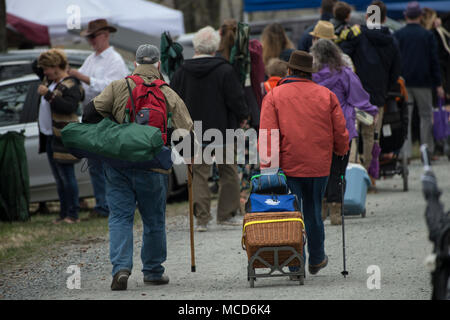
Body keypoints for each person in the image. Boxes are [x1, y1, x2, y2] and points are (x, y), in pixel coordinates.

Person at [82, 44, 194, 291]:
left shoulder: (118, 86)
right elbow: (186, 131)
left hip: (118, 164)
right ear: (158, 65)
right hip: (153, 166)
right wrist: (189, 158)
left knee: (120, 217)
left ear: (134, 64)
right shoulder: (168, 93)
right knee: (154, 219)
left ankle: (121, 268)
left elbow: (89, 114)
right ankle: (153, 271)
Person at [259, 50, 349, 275]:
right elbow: (340, 132)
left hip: (288, 165)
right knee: (313, 210)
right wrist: (341, 150)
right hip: (319, 165)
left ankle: (294, 262)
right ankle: (317, 258)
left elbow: (268, 135)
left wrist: (268, 166)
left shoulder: (274, 96)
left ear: (289, 70)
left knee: (290, 213)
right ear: (310, 73)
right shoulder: (326, 95)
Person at [171, 26, 249, 232]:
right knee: (229, 173)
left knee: (199, 174)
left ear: (196, 46)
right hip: (223, 129)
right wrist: (243, 117)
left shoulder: (181, 72)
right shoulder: (225, 70)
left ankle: (202, 219)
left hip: (193, 131)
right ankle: (226, 214)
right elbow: (235, 98)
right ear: (215, 47)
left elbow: (174, 102)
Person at [310, 39, 378, 224]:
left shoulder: (310, 76)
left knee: (320, 169)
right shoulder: (344, 73)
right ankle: (336, 210)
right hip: (342, 127)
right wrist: (372, 111)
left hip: (317, 129)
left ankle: (322, 207)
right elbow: (359, 98)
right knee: (339, 168)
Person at [68, 19, 129, 219]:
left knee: (109, 164)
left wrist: (83, 79)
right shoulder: (92, 59)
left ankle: (112, 204)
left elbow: (113, 88)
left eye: (93, 36)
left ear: (105, 35)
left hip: (108, 118)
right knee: (95, 164)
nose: (91, 41)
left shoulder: (115, 60)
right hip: (93, 118)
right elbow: (85, 87)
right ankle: (102, 204)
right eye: (89, 37)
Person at [340, 0, 401, 185]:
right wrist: (386, 88)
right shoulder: (391, 40)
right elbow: (396, 71)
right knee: (371, 135)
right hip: (377, 97)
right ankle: (368, 176)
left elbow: (343, 55)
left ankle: (352, 171)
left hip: (355, 95)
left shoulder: (357, 36)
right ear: (384, 18)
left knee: (352, 132)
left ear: (368, 16)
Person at [36, 49, 85, 224]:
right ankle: (64, 213)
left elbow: (69, 107)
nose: (44, 72)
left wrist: (48, 95)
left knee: (67, 176)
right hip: (49, 136)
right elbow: (34, 66)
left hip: (63, 136)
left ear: (56, 67)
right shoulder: (51, 82)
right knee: (58, 177)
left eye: (46, 68)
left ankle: (73, 214)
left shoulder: (71, 84)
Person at [394, 2, 445, 160]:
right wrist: (438, 84)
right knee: (425, 116)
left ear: (405, 15)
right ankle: (426, 150)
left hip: (404, 82)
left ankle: (406, 153)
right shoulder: (427, 35)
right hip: (424, 82)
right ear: (420, 16)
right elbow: (434, 61)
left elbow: (395, 61)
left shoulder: (399, 35)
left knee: (406, 117)